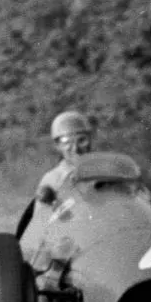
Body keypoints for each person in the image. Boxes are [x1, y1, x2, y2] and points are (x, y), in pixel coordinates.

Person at [25, 110, 95, 288]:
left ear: (90, 140)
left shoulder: (102, 171)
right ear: (57, 146)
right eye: (66, 142)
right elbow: (41, 225)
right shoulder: (53, 178)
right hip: (66, 241)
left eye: (82, 140)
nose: (75, 148)